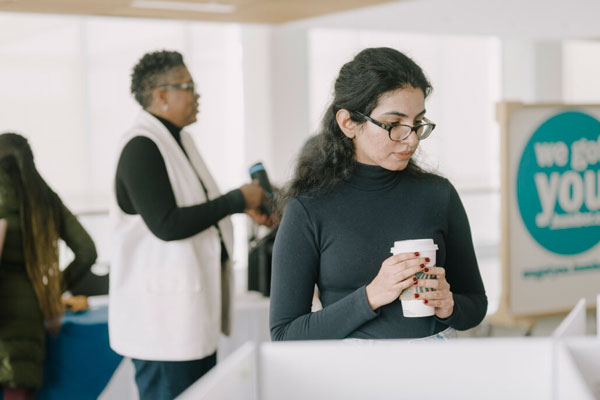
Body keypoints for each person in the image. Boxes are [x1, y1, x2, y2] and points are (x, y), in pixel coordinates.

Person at [270, 47, 487, 341]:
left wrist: (450, 306)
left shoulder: (439, 195)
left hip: (436, 367)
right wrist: (371, 296)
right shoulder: (309, 208)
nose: (410, 139)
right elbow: (285, 334)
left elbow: (475, 305)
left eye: (417, 123)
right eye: (394, 124)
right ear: (348, 123)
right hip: (352, 375)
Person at [109, 50, 271, 400]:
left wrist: (242, 208)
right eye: (188, 87)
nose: (198, 95)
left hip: (189, 315)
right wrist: (236, 201)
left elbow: (197, 208)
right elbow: (167, 224)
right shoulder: (141, 147)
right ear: (161, 95)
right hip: (162, 321)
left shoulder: (180, 139)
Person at [0, 133, 97, 400]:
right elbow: (87, 251)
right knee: (17, 391)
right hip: (28, 311)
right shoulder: (43, 198)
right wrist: (51, 290)